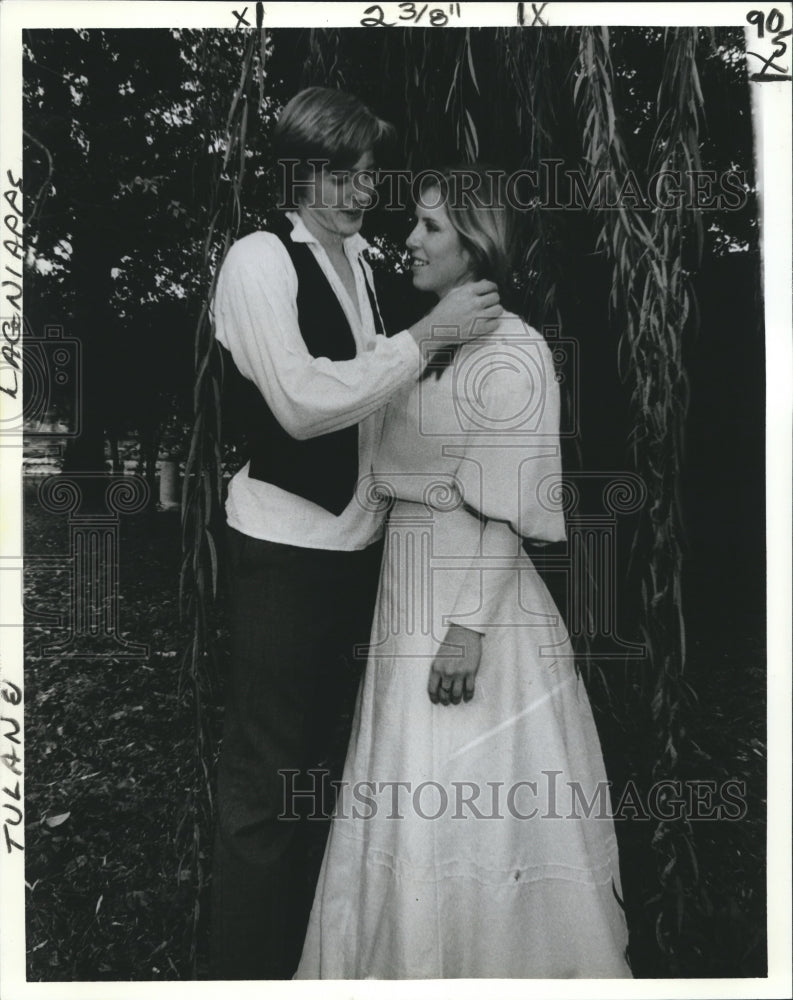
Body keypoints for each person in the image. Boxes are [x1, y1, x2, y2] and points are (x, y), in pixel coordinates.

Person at [295, 166, 633, 979]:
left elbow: (509, 503)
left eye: (430, 228)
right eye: (414, 225)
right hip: (404, 597)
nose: (408, 240)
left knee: (466, 798)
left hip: (468, 611)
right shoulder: (424, 347)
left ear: (478, 245)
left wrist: (466, 629)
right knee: (403, 792)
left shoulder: (514, 352)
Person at [209, 92, 502, 980]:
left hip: (365, 557)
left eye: (369, 175)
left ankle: (319, 963)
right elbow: (301, 406)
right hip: (283, 555)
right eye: (340, 173)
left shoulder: (371, 265)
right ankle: (238, 977)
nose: (358, 191)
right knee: (266, 785)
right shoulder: (259, 261)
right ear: (296, 168)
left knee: (330, 777)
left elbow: (389, 414)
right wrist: (425, 340)